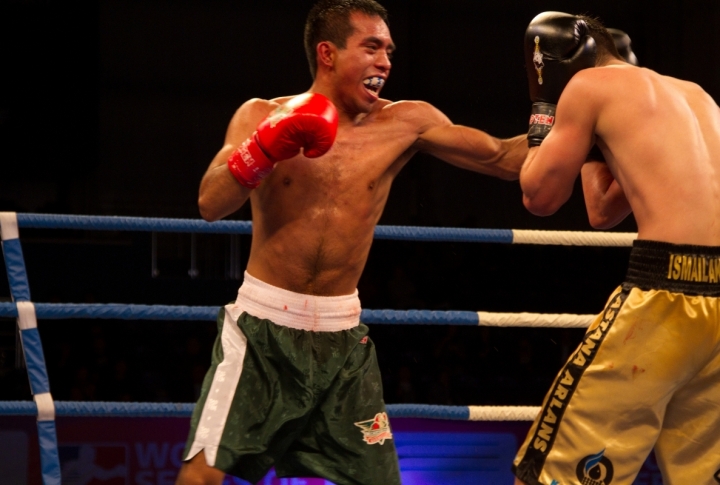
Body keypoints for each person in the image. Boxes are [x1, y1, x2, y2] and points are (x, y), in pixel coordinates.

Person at [175, 1, 528, 484]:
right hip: (261, 331)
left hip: (344, 341)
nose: (386, 61)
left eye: (389, 50)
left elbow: (505, 159)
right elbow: (210, 203)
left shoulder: (406, 122)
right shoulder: (260, 114)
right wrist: (262, 148)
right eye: (372, 47)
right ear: (328, 53)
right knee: (201, 476)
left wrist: (564, 114)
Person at [512, 11, 720, 485]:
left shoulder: (585, 89)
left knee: (556, 475)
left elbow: (539, 198)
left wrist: (544, 107)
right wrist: (593, 145)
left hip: (667, 297)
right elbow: (602, 212)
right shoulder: (694, 95)